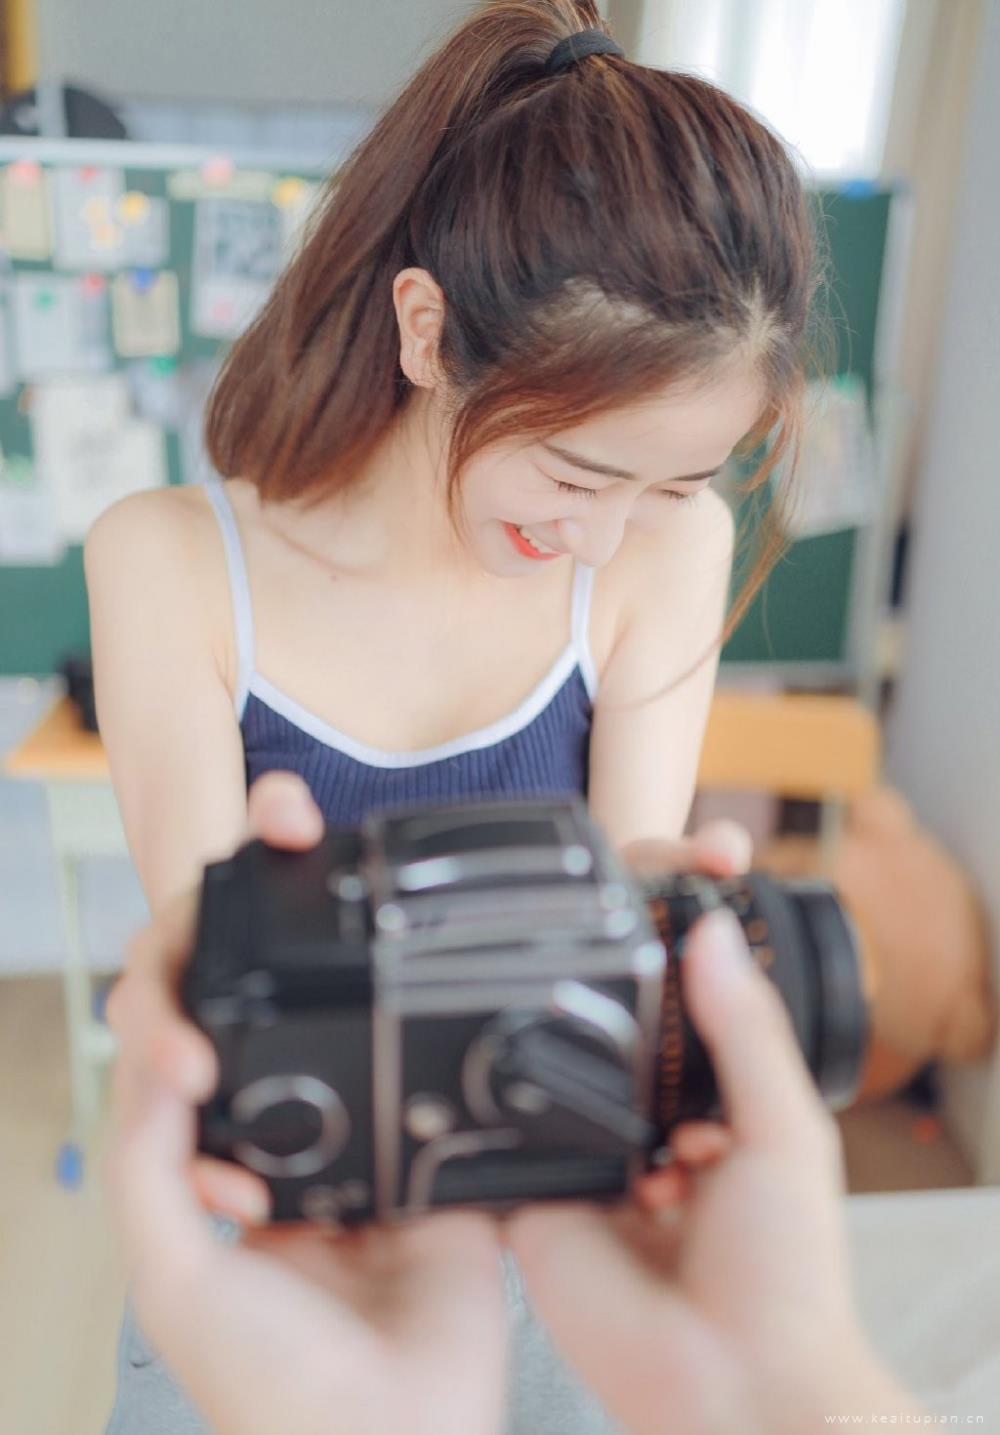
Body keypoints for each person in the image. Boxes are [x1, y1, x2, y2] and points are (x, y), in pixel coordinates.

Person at [84, 2, 837, 1430]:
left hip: (546, 1216)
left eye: (669, 484)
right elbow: (231, 1002)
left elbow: (622, 927)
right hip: (280, 1232)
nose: (603, 535)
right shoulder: (172, 562)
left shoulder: (663, 551)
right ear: (427, 330)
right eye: (573, 471)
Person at [105, 773, 926, 1435]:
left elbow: (613, 873)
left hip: (555, 1223)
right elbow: (206, 978)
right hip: (296, 1230)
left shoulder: (661, 614)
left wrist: (764, 1387)